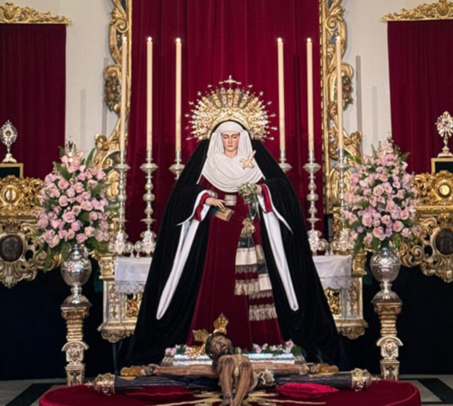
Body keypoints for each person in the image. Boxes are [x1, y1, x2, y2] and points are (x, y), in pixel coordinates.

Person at [129, 119, 350, 368]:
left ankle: (259, 341)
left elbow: (282, 190)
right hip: (215, 239)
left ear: (242, 138)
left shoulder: (255, 163)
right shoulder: (208, 163)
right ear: (219, 139)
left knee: (254, 287)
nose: (230, 141)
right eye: (226, 137)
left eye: (235, 136)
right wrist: (205, 199)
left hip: (249, 234)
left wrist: (260, 190)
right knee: (216, 282)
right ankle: (207, 342)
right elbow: (184, 194)